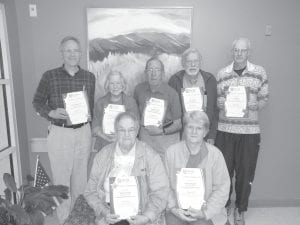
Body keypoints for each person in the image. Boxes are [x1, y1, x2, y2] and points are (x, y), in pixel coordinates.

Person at [32, 36, 95, 223]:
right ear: (62, 52)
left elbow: (90, 107)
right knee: (61, 180)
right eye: (68, 50)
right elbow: (36, 102)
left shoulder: (89, 77)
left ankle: (79, 218)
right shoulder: (49, 76)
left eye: (76, 50)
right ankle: (64, 219)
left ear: (80, 53)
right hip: (60, 133)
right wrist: (50, 112)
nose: (72, 54)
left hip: (83, 132)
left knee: (80, 179)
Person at [215, 38, 269, 225]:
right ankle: (224, 207)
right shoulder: (222, 73)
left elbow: (264, 98)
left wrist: (257, 105)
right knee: (224, 172)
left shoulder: (259, 72)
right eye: (236, 50)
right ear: (232, 52)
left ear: (249, 52)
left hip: (249, 133)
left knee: (246, 173)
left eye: (242, 50)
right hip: (225, 130)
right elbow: (218, 100)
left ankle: (240, 208)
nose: (239, 54)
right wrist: (219, 102)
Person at [84, 112, 169, 225]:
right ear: (116, 131)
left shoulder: (151, 156)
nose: (126, 134)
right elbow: (90, 191)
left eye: (131, 130)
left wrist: (146, 217)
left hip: (141, 215)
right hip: (109, 216)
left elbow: (161, 192)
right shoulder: (103, 155)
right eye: (122, 130)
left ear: (137, 131)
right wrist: (104, 212)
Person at [165, 111, 230, 225]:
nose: (194, 132)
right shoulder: (171, 152)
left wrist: (205, 213)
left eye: (199, 128)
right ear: (184, 129)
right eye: (190, 127)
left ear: (205, 132)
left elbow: (222, 188)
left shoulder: (215, 155)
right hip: (177, 209)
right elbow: (164, 185)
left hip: (205, 210)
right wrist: (174, 208)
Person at [134, 57, 182, 158]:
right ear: (145, 72)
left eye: (157, 70)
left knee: (164, 172)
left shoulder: (172, 94)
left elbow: (178, 124)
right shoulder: (139, 90)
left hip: (165, 140)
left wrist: (161, 131)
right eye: (150, 70)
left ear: (163, 73)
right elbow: (135, 116)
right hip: (145, 140)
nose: (153, 73)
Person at [168, 48, 218, 144]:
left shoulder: (210, 80)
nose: (193, 65)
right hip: (183, 135)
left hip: (205, 134)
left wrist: (212, 135)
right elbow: (170, 111)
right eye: (189, 61)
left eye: (196, 61)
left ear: (200, 63)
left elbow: (215, 110)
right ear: (183, 63)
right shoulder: (174, 81)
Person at [92, 71, 139, 151]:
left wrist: (119, 136)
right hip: (104, 143)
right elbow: (95, 126)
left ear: (122, 85)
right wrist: (105, 136)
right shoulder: (100, 102)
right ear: (107, 85)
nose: (115, 87)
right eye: (112, 83)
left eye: (118, 83)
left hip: (125, 142)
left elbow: (136, 125)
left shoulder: (130, 102)